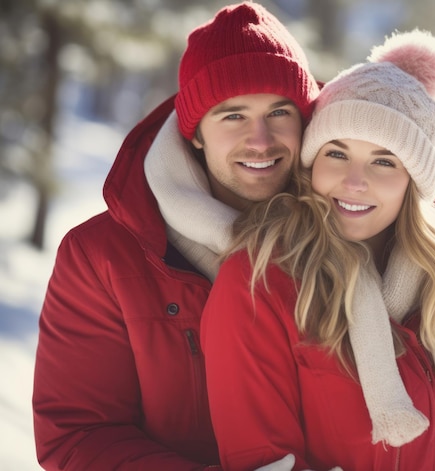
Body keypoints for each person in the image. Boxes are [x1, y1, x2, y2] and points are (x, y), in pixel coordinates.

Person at [32, 3, 320, 470]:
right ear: (196, 134)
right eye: (233, 116)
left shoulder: (360, 227)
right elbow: (77, 435)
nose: (262, 140)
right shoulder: (102, 257)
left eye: (279, 111)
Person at [201, 28, 435, 471]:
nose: (354, 181)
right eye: (336, 154)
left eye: (383, 161)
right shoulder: (262, 281)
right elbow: (260, 459)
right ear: (311, 163)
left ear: (414, 182)